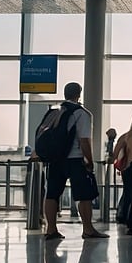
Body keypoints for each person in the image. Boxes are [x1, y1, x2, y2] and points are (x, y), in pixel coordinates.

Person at [42, 82, 107, 240]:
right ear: (79, 94)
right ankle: (88, 229)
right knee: (84, 195)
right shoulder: (82, 113)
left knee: (52, 194)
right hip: (76, 159)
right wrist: (89, 161)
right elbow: (85, 140)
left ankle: (51, 229)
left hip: (56, 159)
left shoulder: (55, 111)